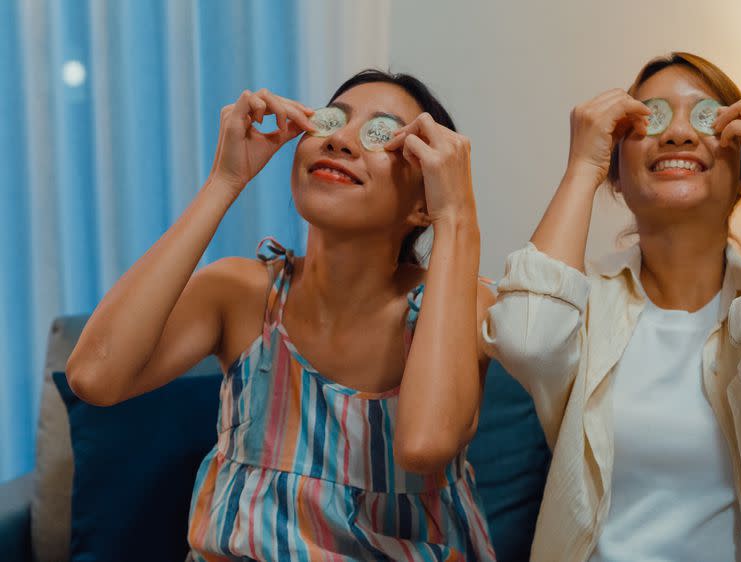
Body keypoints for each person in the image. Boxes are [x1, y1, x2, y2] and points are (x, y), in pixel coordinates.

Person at [67, 69, 496, 561]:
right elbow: (94, 375)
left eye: (381, 134)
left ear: (425, 199)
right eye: (333, 120)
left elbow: (424, 445)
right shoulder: (242, 293)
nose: (340, 140)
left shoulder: (459, 308)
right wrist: (225, 181)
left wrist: (457, 216)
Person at [483, 52, 741, 561]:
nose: (679, 134)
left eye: (705, 118)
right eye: (652, 118)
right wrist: (582, 166)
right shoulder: (581, 305)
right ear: (616, 173)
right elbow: (526, 342)